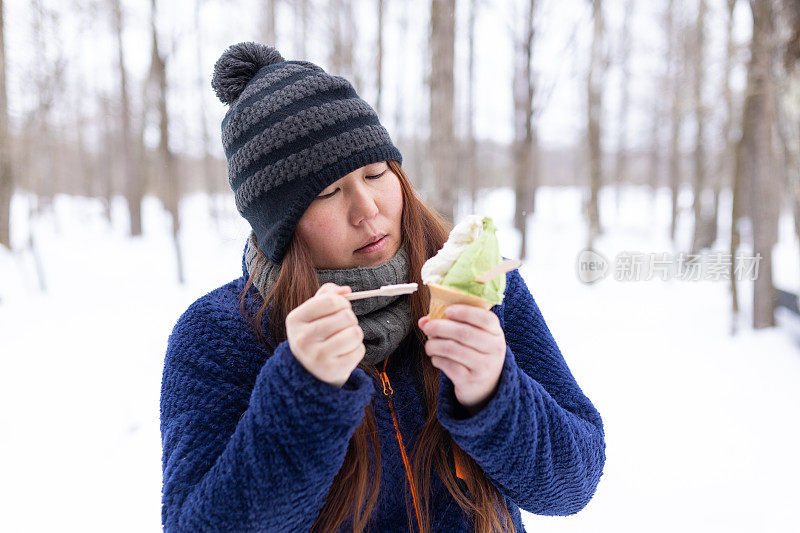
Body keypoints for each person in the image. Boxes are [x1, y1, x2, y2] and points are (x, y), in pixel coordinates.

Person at [159, 41, 606, 533]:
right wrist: (300, 398)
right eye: (328, 193)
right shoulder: (221, 334)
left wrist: (495, 394)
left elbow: (574, 483)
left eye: (376, 173)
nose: (367, 209)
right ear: (279, 228)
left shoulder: (479, 284)